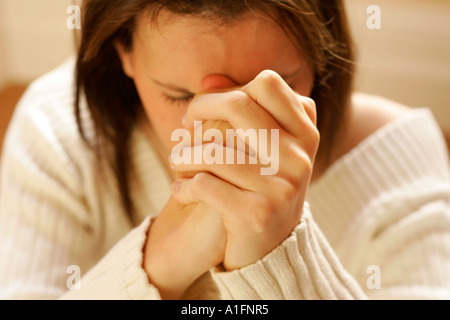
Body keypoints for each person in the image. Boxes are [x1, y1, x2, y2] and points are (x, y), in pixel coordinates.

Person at [0, 0, 449, 300]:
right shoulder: (57, 132)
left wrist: (279, 251)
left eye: (279, 88)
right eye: (178, 95)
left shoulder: (399, 162)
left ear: (320, 53)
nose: (221, 133)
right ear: (124, 51)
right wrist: (162, 257)